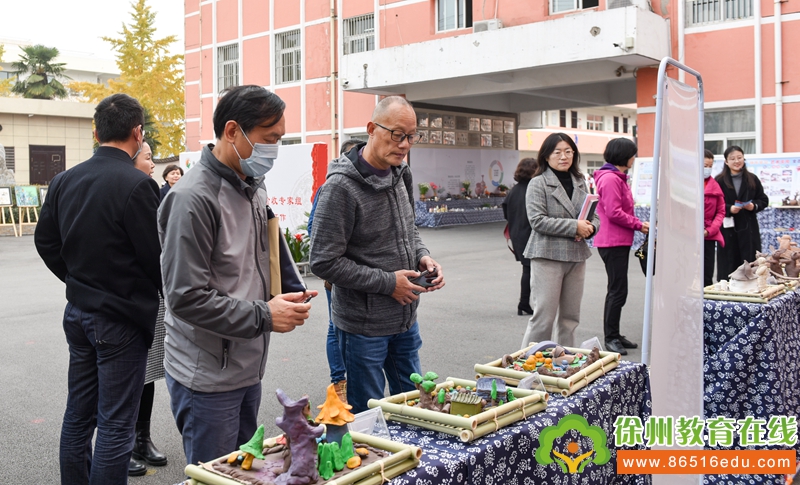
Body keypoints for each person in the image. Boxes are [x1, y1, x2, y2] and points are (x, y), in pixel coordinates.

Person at [158, 85, 317, 466]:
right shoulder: (192, 199)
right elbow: (185, 297)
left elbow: (264, 252)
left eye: (279, 140)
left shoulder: (252, 188)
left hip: (245, 362)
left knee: (246, 470)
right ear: (232, 131)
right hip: (207, 376)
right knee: (217, 473)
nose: (274, 151)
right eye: (269, 139)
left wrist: (291, 291)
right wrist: (265, 315)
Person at [34, 93, 161, 485]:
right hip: (120, 318)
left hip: (79, 312)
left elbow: (45, 242)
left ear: (95, 131)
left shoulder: (63, 180)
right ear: (138, 133)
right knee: (115, 424)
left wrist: (75, 279)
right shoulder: (139, 186)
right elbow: (155, 259)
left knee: (78, 414)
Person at [309, 96, 445, 413]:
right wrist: (388, 283)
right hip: (362, 328)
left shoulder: (401, 174)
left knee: (415, 407)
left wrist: (423, 256)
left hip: (405, 319)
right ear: (372, 128)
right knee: (370, 416)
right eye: (397, 134)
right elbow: (323, 262)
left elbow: (408, 228)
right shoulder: (340, 187)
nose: (405, 144)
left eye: (412, 136)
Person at [520, 132, 599, 350]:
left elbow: (595, 215)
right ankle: (528, 362)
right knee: (543, 317)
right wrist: (575, 226)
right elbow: (537, 221)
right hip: (547, 255)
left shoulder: (581, 182)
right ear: (546, 156)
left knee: (570, 317)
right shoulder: (538, 183)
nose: (563, 156)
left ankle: (565, 362)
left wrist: (591, 228)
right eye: (557, 152)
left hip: (576, 254)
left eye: (568, 151)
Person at [306, 139, 361, 403]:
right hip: (337, 275)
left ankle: (347, 381)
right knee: (334, 327)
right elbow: (313, 229)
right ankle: (339, 381)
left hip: (361, 279)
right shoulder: (331, 187)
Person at [128, 140, 168, 476]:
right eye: (148, 157)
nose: (152, 163)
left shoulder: (153, 190)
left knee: (149, 372)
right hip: (129, 299)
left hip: (153, 298)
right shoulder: (129, 190)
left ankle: (143, 437)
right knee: (125, 376)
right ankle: (123, 442)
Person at [593, 138, 648, 355]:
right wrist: (639, 224)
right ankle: (611, 337)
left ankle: (615, 333)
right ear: (624, 155)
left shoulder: (616, 177)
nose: (634, 158)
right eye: (633, 154)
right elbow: (614, 212)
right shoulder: (610, 179)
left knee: (619, 289)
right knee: (617, 290)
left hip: (618, 240)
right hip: (612, 241)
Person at [714, 145, 769, 281]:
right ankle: (726, 289)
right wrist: (728, 209)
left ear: (744, 158)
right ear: (726, 162)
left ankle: (750, 287)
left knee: (749, 258)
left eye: (739, 157)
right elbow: (713, 203)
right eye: (732, 158)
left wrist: (753, 206)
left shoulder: (752, 179)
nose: (736, 161)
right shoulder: (719, 180)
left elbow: (763, 199)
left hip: (748, 227)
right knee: (728, 259)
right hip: (727, 227)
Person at [502, 158, 537, 316]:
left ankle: (524, 303)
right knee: (531, 269)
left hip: (517, 234)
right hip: (531, 234)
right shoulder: (533, 189)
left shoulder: (514, 190)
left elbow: (506, 212)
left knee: (527, 268)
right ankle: (524, 303)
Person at [703, 149, 726, 287]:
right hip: (687, 236)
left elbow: (721, 211)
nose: (708, 169)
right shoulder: (686, 184)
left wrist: (710, 230)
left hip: (708, 235)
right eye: (705, 166)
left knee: (707, 274)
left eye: (710, 166)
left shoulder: (715, 186)